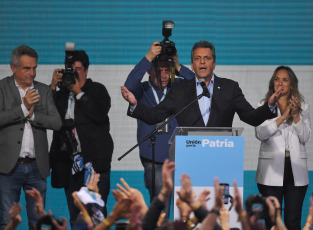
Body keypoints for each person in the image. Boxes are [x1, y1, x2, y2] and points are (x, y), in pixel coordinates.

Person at [121, 40, 281, 130]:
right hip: (190, 159)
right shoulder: (180, 90)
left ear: (214, 63)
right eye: (197, 58)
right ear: (191, 64)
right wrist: (135, 104)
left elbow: (251, 118)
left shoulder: (230, 88)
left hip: (222, 156)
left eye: (207, 58)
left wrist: (270, 106)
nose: (202, 62)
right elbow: (155, 116)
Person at [124, 41, 194, 214]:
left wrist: (178, 66)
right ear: (149, 70)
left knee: (184, 208)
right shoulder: (142, 90)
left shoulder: (179, 87)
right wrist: (148, 57)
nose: (164, 75)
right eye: (159, 69)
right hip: (153, 158)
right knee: (160, 209)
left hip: (180, 157)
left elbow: (199, 85)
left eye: (167, 70)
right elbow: (128, 87)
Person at [0, 45, 62, 229]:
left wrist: (33, 116)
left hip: (37, 167)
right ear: (13, 68)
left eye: (34, 68)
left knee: (37, 221)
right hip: (8, 168)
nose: (32, 73)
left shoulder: (43, 91)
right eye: (27, 68)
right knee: (6, 220)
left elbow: (56, 123)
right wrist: (23, 109)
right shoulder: (2, 88)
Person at [49, 50, 113, 226]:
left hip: (94, 165)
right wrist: (53, 87)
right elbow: (48, 116)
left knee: (96, 216)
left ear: (86, 70)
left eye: (77, 69)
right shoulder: (61, 94)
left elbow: (99, 114)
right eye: (70, 69)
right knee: (75, 217)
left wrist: (78, 91)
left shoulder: (97, 90)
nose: (73, 73)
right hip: (69, 165)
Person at [255, 66, 311, 230]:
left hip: (296, 171)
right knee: (272, 221)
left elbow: (305, 137)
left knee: (293, 221)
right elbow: (260, 133)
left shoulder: (303, 107)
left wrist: (295, 116)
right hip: (270, 171)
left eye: (285, 80)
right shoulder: (264, 105)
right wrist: (283, 117)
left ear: (292, 85)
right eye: (277, 79)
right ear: (273, 84)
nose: (280, 83)